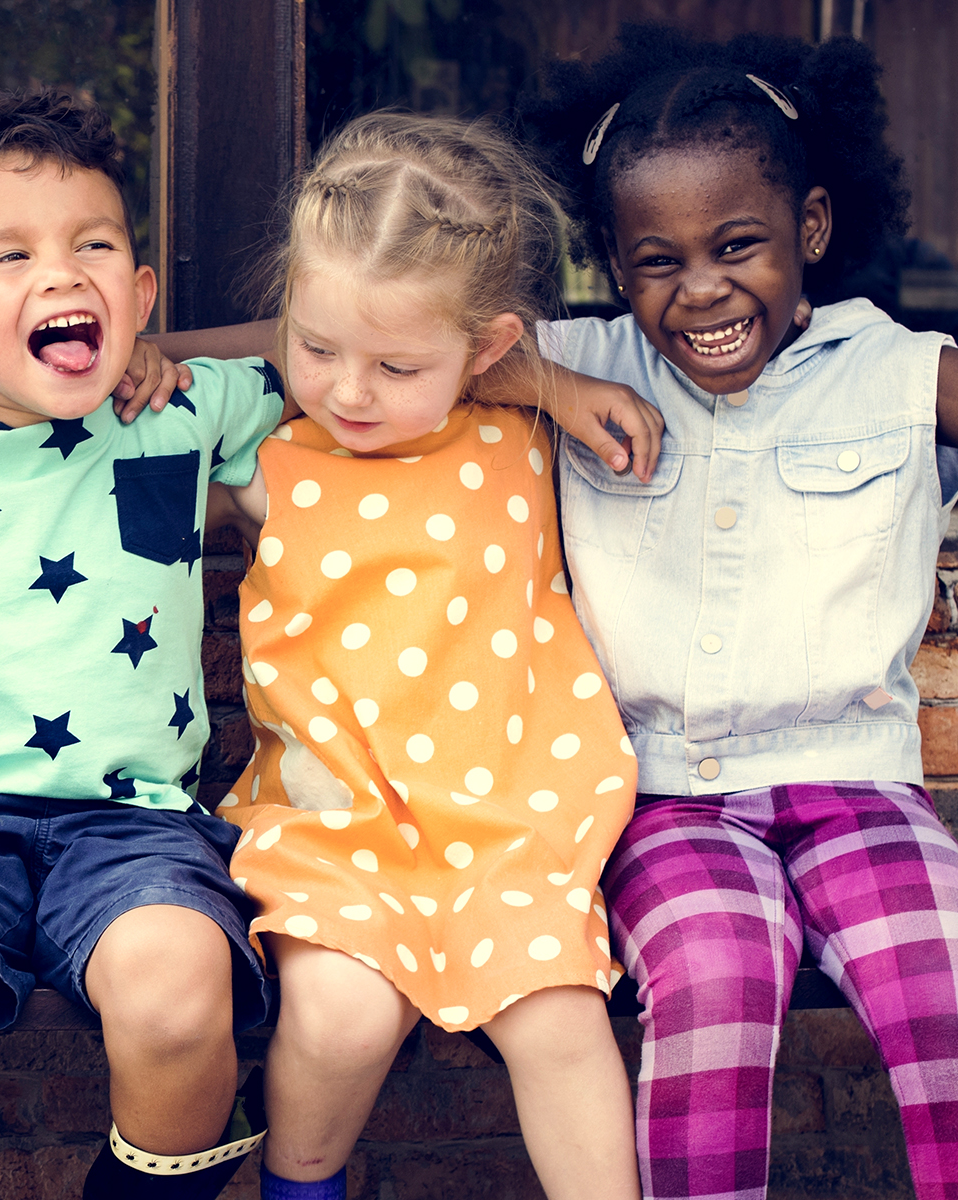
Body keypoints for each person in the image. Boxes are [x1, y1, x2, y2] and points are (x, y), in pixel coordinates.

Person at [519, 26, 958, 1200]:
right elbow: (378, 347)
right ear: (614, 265)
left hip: (858, 790)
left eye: (739, 246)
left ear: (810, 231)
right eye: (657, 260)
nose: (704, 289)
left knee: (953, 987)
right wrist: (140, 356)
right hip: (666, 801)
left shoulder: (894, 369)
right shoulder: (576, 360)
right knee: (715, 976)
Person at [204, 112, 639, 1200]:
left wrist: (557, 389)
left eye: (397, 365)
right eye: (315, 349)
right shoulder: (269, 462)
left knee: (562, 1023)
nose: (349, 391)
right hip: (339, 828)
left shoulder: (525, 436)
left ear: (485, 350)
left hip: (512, 828)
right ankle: (297, 1185)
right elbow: (148, 381)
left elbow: (535, 374)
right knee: (341, 1017)